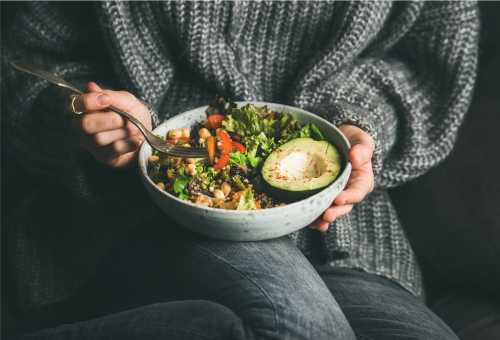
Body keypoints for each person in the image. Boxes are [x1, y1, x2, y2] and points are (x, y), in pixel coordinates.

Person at [1, 1, 479, 339]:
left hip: (347, 235)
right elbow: (27, 65)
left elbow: (427, 61)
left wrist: (359, 126)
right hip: (147, 211)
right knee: (297, 329)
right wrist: (96, 125)